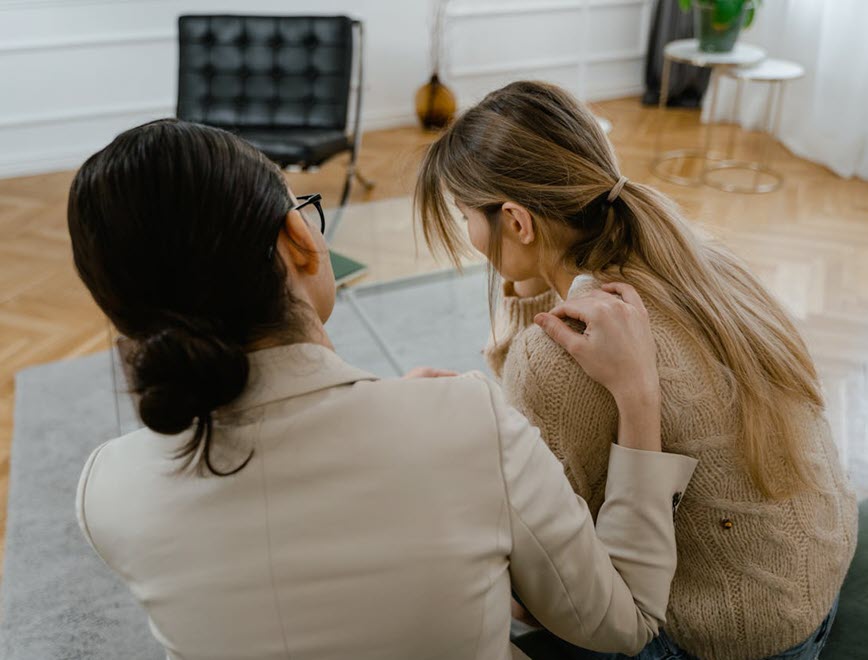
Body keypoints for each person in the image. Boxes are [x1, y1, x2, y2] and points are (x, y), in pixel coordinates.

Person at [69, 118, 697, 660]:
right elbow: (624, 624)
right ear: (298, 240)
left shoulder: (106, 489)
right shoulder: (467, 421)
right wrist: (639, 397)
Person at [415, 80, 858, 660]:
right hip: (811, 577)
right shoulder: (694, 257)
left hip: (727, 636)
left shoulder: (554, 357)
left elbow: (561, 582)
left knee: (475, 570)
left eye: (465, 215)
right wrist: (532, 286)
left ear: (517, 221)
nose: (470, 235)